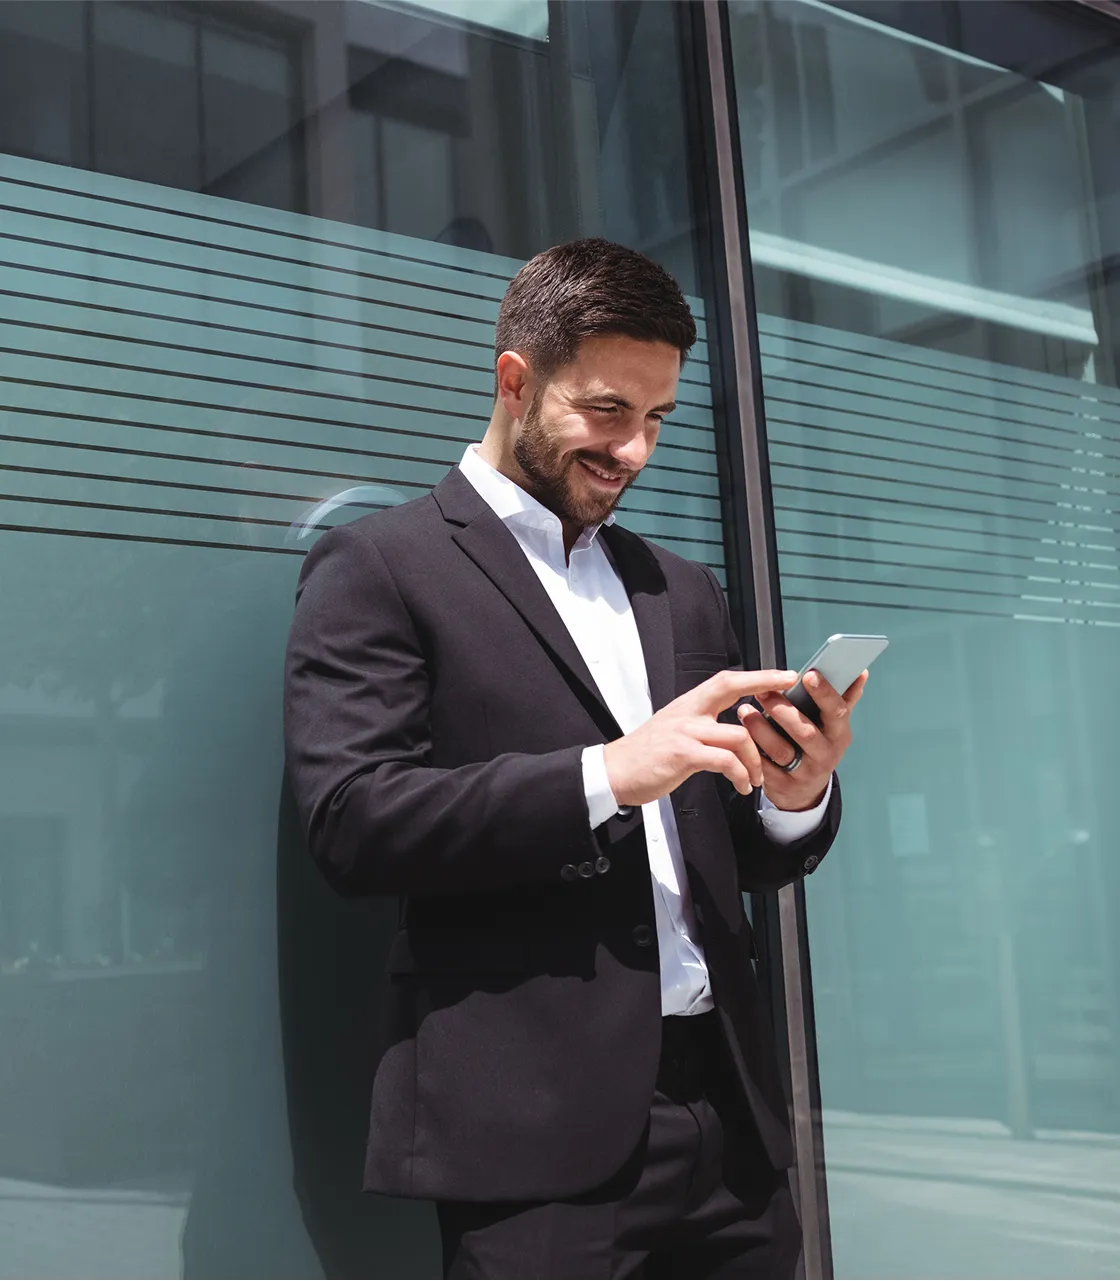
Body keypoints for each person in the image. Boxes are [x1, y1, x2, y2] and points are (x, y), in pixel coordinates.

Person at [283, 238, 865, 1278]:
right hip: (532, 1137)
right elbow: (352, 821)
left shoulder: (677, 587)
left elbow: (735, 851)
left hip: (726, 1121)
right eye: (607, 411)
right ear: (515, 379)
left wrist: (795, 791)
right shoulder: (379, 565)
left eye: (656, 420)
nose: (634, 449)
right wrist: (607, 775)